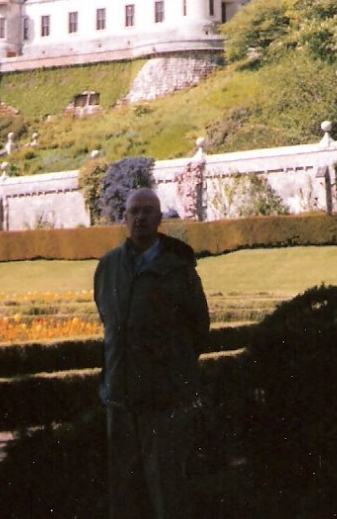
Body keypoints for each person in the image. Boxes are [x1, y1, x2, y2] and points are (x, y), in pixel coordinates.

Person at [93, 187, 210, 519]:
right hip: (119, 398)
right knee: (123, 493)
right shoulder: (108, 266)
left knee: (166, 490)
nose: (140, 218)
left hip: (163, 400)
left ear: (159, 218)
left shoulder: (178, 268)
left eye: (147, 211)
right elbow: (109, 322)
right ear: (125, 218)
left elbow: (199, 329)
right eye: (134, 212)